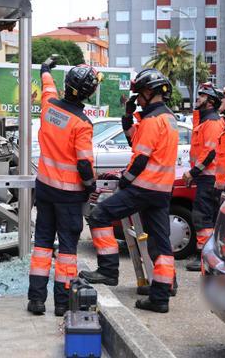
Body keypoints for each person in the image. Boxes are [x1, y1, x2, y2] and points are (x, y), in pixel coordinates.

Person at [80, 68, 178, 314]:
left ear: (149, 92)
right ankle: (160, 297)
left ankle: (108, 271)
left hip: (143, 188)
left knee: (99, 215)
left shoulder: (152, 121)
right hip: (162, 190)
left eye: (139, 94)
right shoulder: (169, 118)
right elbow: (138, 143)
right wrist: (127, 118)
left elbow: (141, 158)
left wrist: (125, 180)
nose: (137, 99)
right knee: (161, 245)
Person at [27, 56, 101, 317]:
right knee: (67, 251)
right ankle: (61, 304)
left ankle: (36, 301)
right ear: (89, 93)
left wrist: (46, 68)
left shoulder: (48, 107)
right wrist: (91, 185)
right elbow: (83, 164)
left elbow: (47, 85)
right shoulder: (82, 124)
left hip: (45, 190)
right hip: (69, 197)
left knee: (42, 247)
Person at [182, 83, 225, 272]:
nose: (198, 97)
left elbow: (210, 153)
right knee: (207, 218)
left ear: (210, 101)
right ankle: (207, 256)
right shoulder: (206, 121)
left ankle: (203, 257)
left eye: (202, 95)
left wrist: (193, 172)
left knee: (203, 218)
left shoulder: (213, 123)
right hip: (206, 178)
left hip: (209, 178)